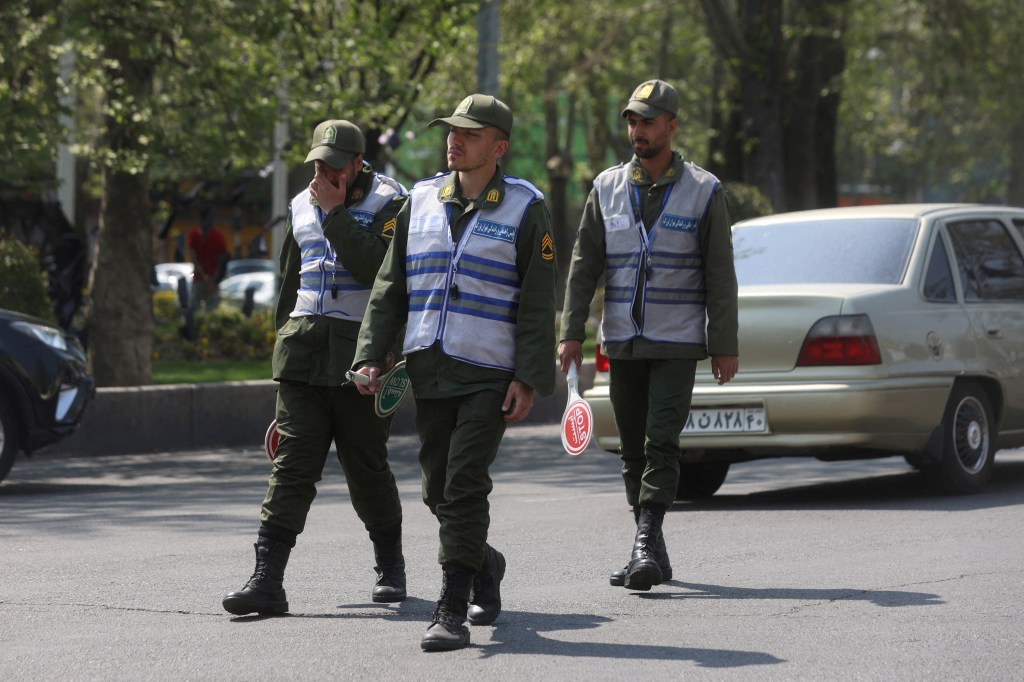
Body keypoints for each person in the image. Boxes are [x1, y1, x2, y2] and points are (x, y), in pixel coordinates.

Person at [351, 94, 557, 651]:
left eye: (470, 132)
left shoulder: (524, 207)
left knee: (464, 485)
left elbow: (539, 302)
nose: (455, 139)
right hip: (429, 366)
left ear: (499, 146)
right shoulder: (418, 201)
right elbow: (392, 287)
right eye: (451, 130)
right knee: (437, 491)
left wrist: (529, 377)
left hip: (490, 371)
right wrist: (372, 353)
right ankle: (485, 563)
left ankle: (451, 607)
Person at [557, 79, 739, 592]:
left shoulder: (705, 190)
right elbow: (582, 264)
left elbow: (721, 276)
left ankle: (643, 542)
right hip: (622, 340)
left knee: (662, 442)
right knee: (631, 449)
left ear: (672, 126)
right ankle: (651, 548)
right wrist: (570, 331)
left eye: (648, 121)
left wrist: (725, 343)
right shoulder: (606, 186)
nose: (637, 130)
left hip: (677, 341)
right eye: (632, 122)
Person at [222, 119, 409, 616]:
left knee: (365, 467)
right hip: (303, 355)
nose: (323, 173)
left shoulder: (392, 203)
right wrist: (282, 340)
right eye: (317, 163)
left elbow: (382, 271)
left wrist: (335, 214)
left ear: (357, 165)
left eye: (334, 165)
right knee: (292, 468)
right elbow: (291, 281)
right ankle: (267, 579)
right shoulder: (301, 202)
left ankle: (390, 563)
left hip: (362, 358)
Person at [187, 206, 229, 312]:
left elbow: (222, 260)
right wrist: (204, 276)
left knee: (212, 309)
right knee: (194, 308)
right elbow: (193, 257)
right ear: (202, 219)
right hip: (198, 278)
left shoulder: (218, 236)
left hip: (213, 280)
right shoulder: (194, 235)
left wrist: (213, 279)